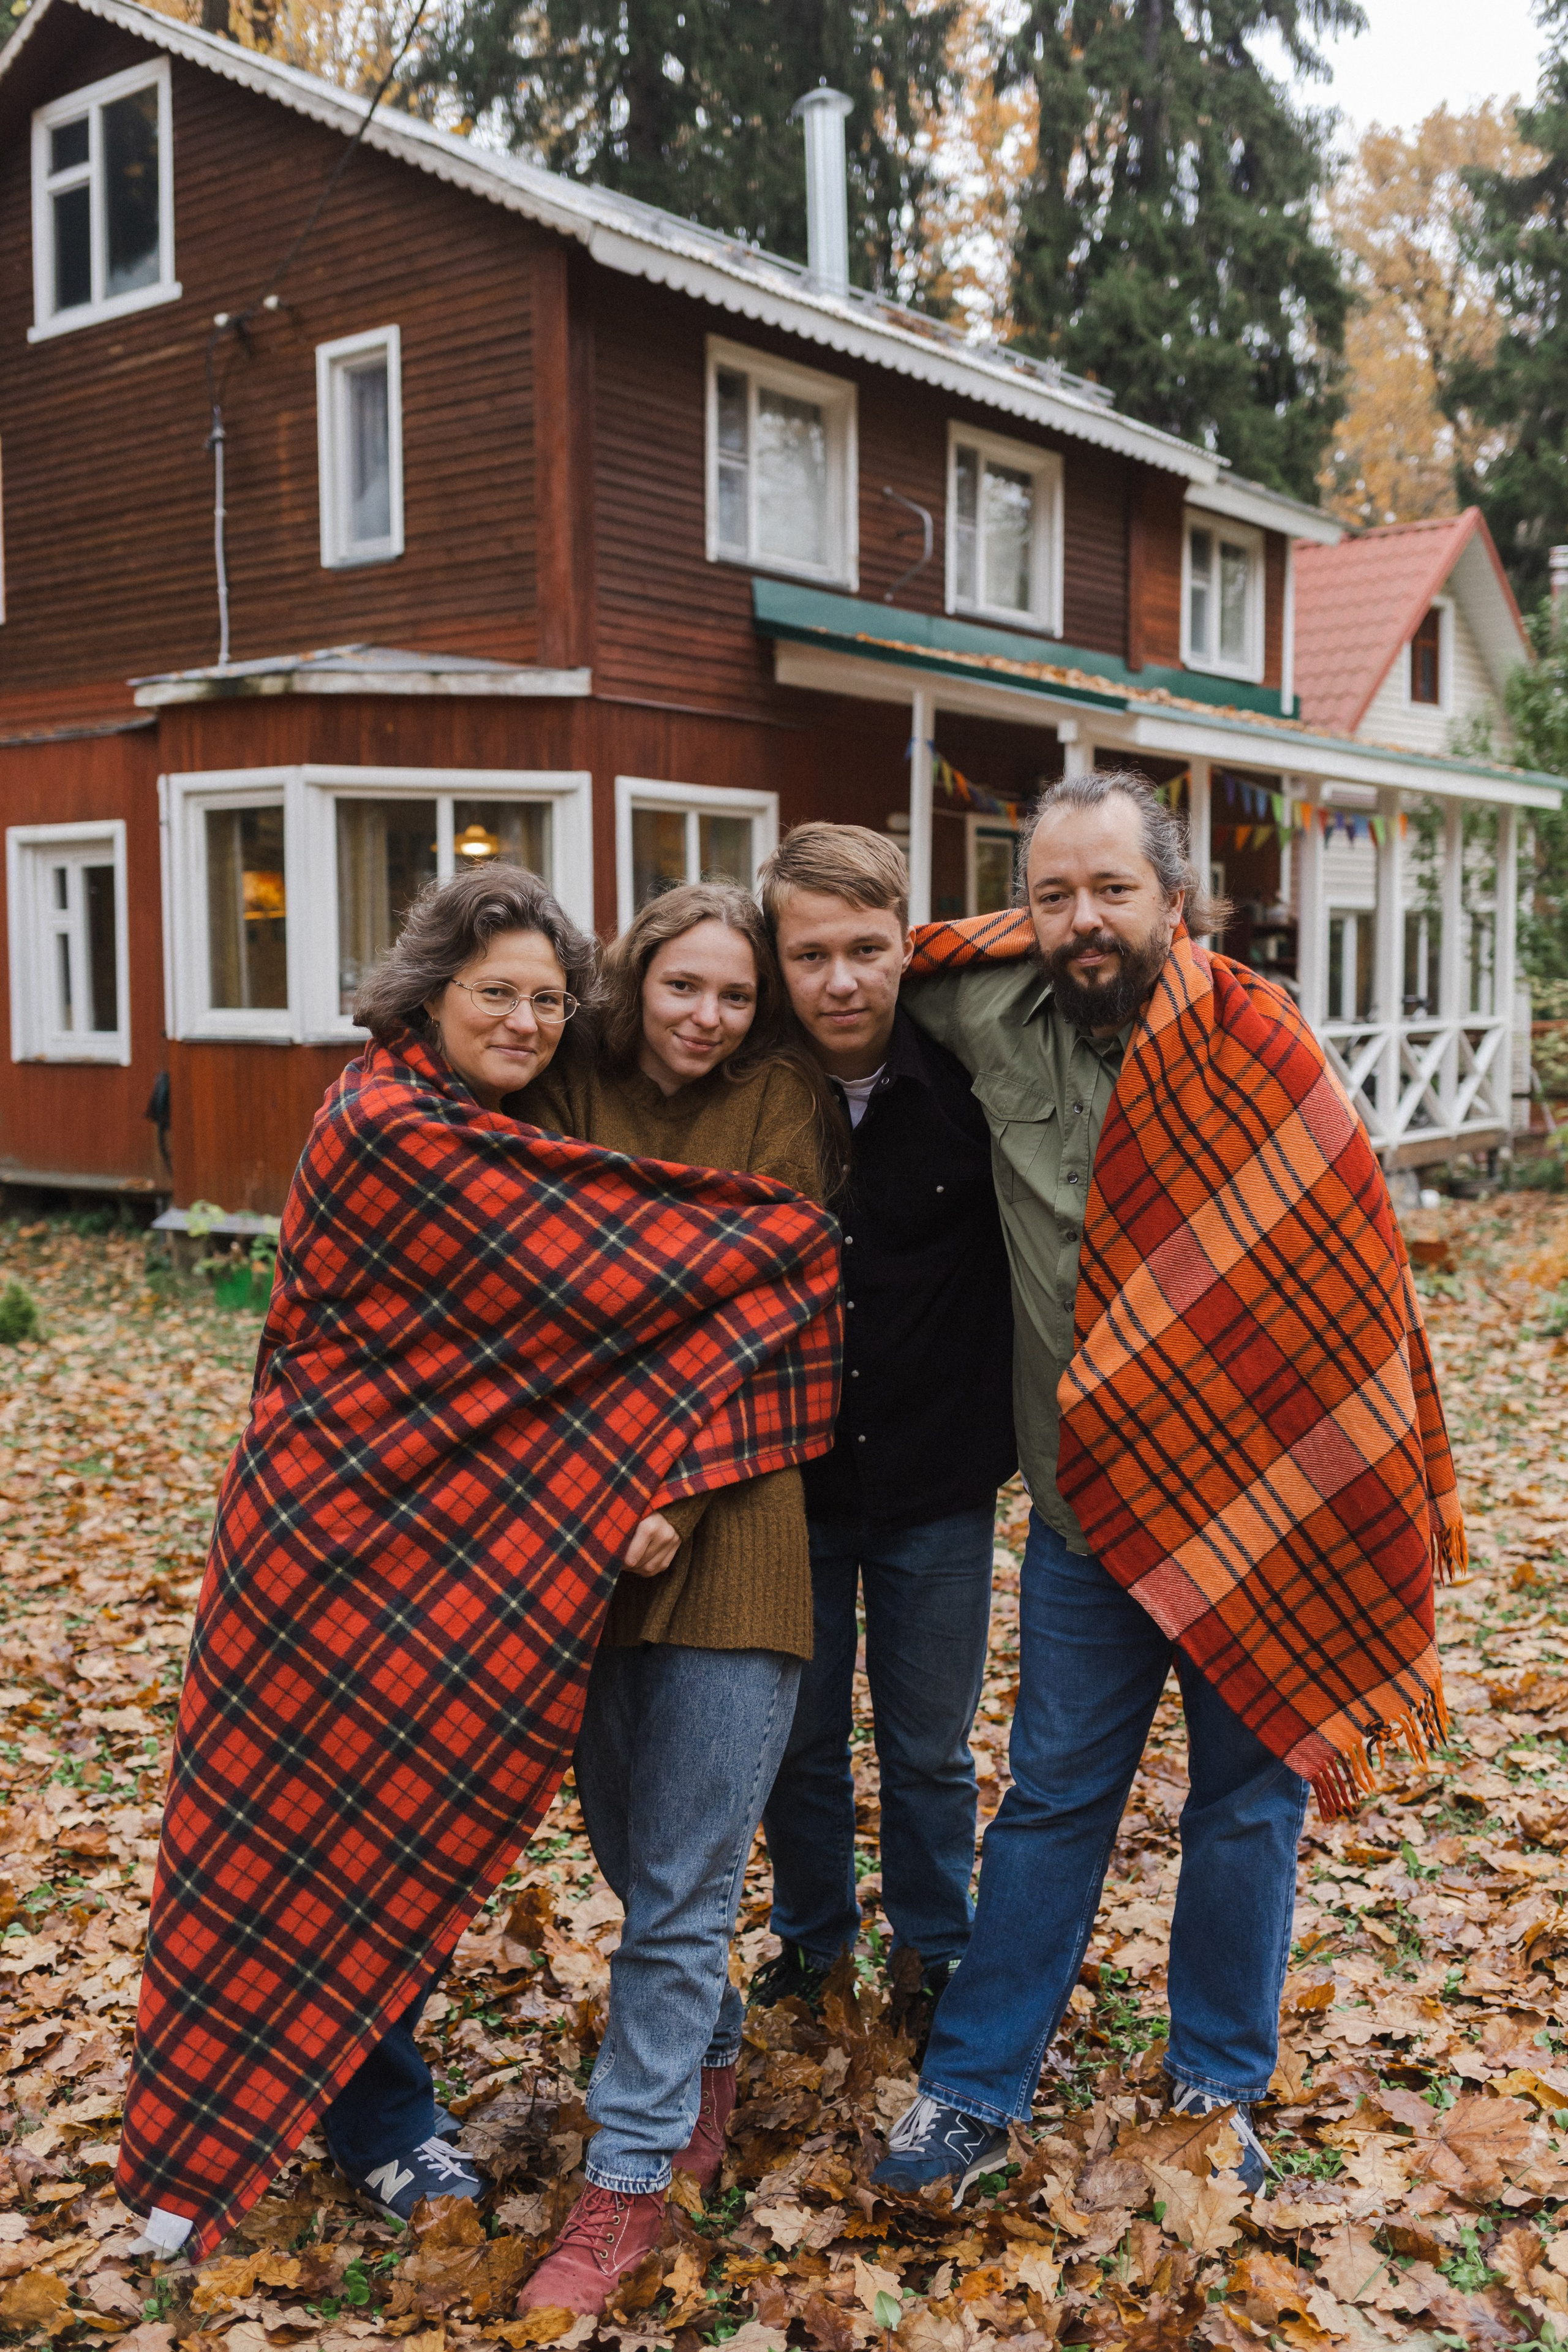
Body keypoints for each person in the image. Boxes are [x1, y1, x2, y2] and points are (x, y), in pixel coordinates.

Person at [116, 865, 840, 2262]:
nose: (522, 1020)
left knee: (403, 1817)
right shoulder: (394, 1126)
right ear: (429, 994)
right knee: (302, 1823)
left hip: (461, 1538)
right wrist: (775, 1246)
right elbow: (612, 1279)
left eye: (547, 1000)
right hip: (328, 1533)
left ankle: (373, 2109)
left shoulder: (506, 1127)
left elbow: (575, 1337)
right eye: (495, 992)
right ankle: (339, 2121)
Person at [869, 770, 1462, 2205]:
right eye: (1052, 893)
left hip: (1261, 1515)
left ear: (1174, 902)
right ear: (1020, 911)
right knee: (1050, 1801)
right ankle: (971, 2093)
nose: (1082, 918)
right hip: (1086, 1520)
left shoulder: (1260, 1043)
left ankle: (1215, 2088)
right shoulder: (976, 1005)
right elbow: (839, 976)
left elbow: (1347, 1279)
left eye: (1111, 890)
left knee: (1245, 1810)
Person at [513, 882, 841, 2316]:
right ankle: (705, 2044)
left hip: (734, 1521)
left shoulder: (776, 1104)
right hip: (578, 1526)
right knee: (625, 1846)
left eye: (733, 994)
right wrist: (603, 1494)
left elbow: (771, 1319)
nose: (706, 1016)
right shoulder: (566, 1087)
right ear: (632, 979)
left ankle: (626, 2181)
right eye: (680, 986)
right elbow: (538, 1298)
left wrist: (678, 1496)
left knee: (684, 1885)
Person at [749, 824, 1014, 2045]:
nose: (841, 981)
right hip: (788, 1484)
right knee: (797, 1742)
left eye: (865, 949)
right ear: (777, 959)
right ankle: (813, 1943)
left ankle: (935, 1944)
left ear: (907, 943)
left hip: (938, 1477)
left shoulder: (969, 1078)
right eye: (810, 955)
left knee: (928, 1746)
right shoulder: (749, 1092)